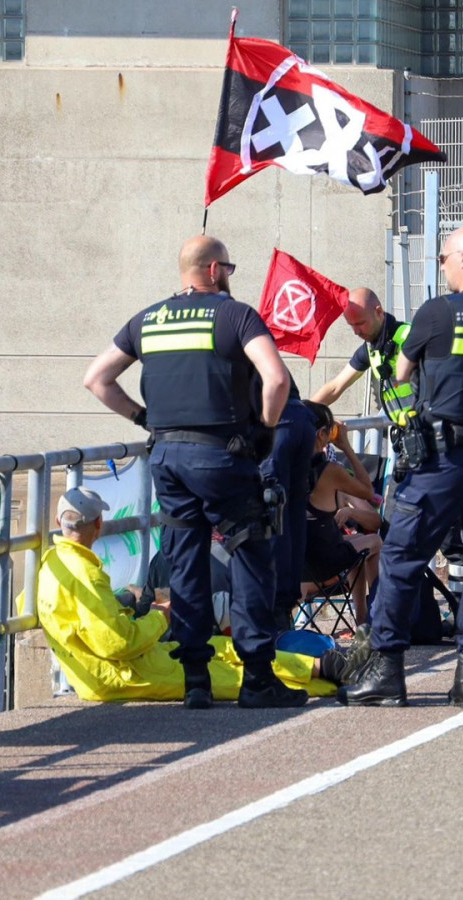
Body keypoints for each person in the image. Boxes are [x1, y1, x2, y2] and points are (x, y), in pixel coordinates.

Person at [83, 234, 307, 710]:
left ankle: (196, 681)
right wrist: (265, 431)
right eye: (228, 266)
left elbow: (97, 379)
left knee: (185, 562)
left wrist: (144, 419)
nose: (229, 275)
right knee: (250, 557)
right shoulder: (235, 314)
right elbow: (277, 378)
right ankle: (258, 680)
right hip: (224, 456)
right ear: (212, 270)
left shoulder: (147, 320)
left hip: (168, 459)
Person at [337, 224, 463, 709]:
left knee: (402, 555)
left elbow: (401, 373)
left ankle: (386, 669)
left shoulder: (438, 312)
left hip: (445, 459)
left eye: (445, 257)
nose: (441, 264)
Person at [25, 488, 370, 702]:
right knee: (227, 675)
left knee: (222, 650)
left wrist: (129, 605)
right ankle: (327, 669)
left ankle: (330, 664)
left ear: (59, 521)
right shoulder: (83, 572)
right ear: (99, 525)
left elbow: (82, 622)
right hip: (121, 673)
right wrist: (160, 617)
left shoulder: (53, 564)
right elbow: (117, 643)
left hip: (118, 665)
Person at [300, 401, 381, 624]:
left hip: (292, 571)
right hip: (327, 566)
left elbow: (374, 520)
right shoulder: (331, 472)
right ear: (323, 435)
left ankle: (364, 617)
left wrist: (348, 512)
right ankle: (367, 620)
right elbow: (368, 491)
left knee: (354, 542)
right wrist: (346, 446)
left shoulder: (280, 466)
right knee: (372, 542)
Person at [311, 288, 415, 424]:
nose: (356, 332)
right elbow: (335, 387)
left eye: (360, 323)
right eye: (351, 325)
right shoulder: (370, 349)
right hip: (409, 434)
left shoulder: (411, 336)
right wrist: (302, 411)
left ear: (378, 312)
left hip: (432, 430)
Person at [262, 381, 318, 631]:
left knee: (271, 513)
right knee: (293, 514)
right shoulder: (257, 343)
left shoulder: (228, 342)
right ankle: (284, 609)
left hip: (276, 419)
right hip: (300, 419)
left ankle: (273, 610)